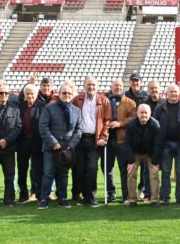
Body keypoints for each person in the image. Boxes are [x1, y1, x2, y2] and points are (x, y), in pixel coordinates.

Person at [37, 81, 82, 209]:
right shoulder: (49, 108)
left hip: (67, 149)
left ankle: (62, 198)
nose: (66, 95)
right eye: (64, 93)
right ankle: (44, 198)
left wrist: (71, 144)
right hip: (51, 148)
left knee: (63, 174)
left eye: (69, 93)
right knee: (48, 173)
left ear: (72, 94)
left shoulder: (76, 110)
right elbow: (43, 127)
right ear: (59, 94)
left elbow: (79, 130)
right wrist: (54, 143)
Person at [71, 77, 112, 207]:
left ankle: (92, 196)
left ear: (97, 86)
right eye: (88, 85)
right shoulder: (76, 100)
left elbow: (107, 121)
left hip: (95, 140)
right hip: (80, 139)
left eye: (93, 85)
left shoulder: (104, 101)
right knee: (80, 169)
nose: (91, 87)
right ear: (84, 86)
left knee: (92, 167)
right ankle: (84, 196)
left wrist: (103, 137)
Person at [122, 103, 164, 207]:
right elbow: (127, 144)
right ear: (137, 113)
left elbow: (158, 144)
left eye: (146, 113)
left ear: (150, 113)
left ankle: (154, 200)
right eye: (141, 112)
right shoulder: (131, 125)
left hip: (150, 154)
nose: (144, 115)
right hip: (135, 153)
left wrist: (155, 161)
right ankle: (132, 200)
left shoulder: (156, 124)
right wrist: (131, 161)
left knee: (154, 173)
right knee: (131, 173)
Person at [155, 84, 180, 205]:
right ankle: (165, 196)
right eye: (171, 92)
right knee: (166, 171)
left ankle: (179, 197)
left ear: (179, 93)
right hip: (166, 144)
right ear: (166, 94)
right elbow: (155, 126)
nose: (173, 94)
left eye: (175, 92)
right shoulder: (159, 108)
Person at [104, 78, 133, 203]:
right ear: (111, 87)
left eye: (120, 86)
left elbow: (133, 118)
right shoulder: (105, 101)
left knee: (123, 168)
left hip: (123, 140)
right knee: (107, 167)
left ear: (123, 87)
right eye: (115, 86)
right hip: (107, 140)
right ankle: (111, 192)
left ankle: (125, 195)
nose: (118, 88)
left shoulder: (130, 103)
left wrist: (120, 123)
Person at [16, 84, 45, 203]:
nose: (30, 95)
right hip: (22, 142)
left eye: (32, 93)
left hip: (37, 142)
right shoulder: (19, 106)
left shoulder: (43, 107)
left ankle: (38, 194)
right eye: (27, 93)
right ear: (24, 95)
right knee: (22, 169)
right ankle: (23, 194)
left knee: (37, 169)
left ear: (37, 94)